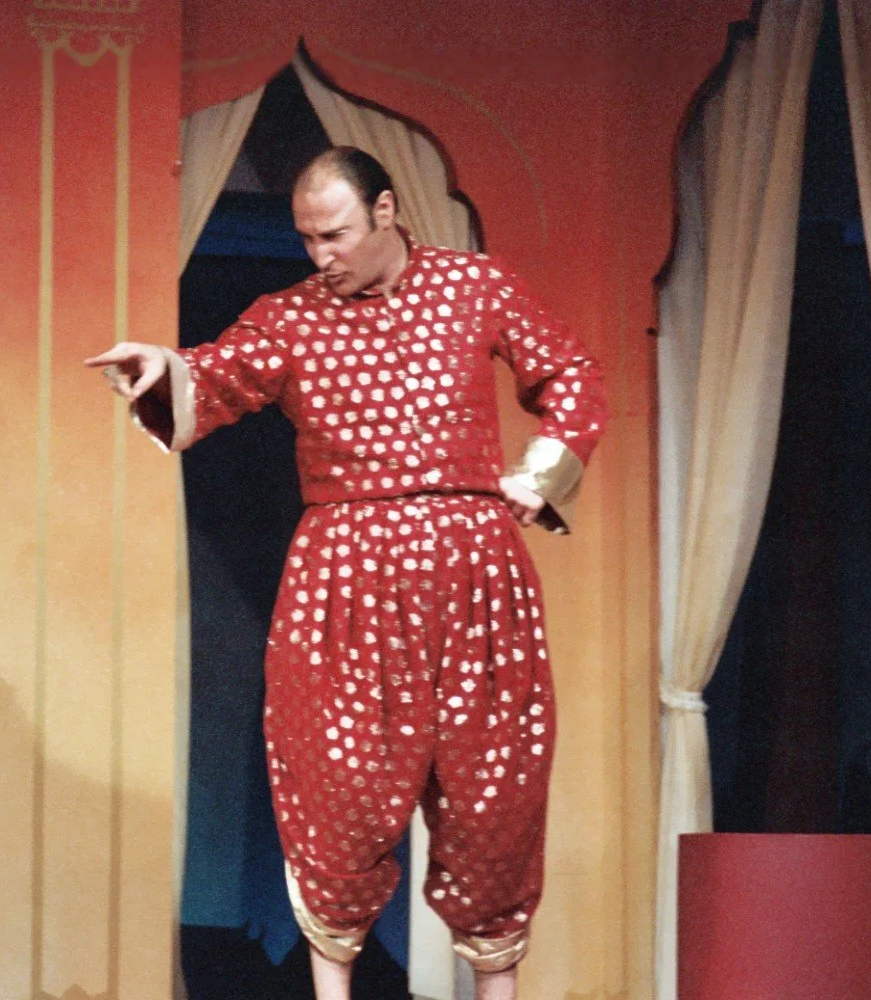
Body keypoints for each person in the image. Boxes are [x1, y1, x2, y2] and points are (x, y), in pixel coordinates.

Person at [87, 147, 605, 1000]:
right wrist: (164, 369)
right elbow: (220, 374)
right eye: (307, 239)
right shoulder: (288, 319)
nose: (320, 256)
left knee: (492, 799)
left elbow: (571, 373)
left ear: (387, 211)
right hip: (346, 586)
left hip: (475, 580)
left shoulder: (475, 285)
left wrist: (540, 473)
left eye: (335, 235)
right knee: (341, 792)